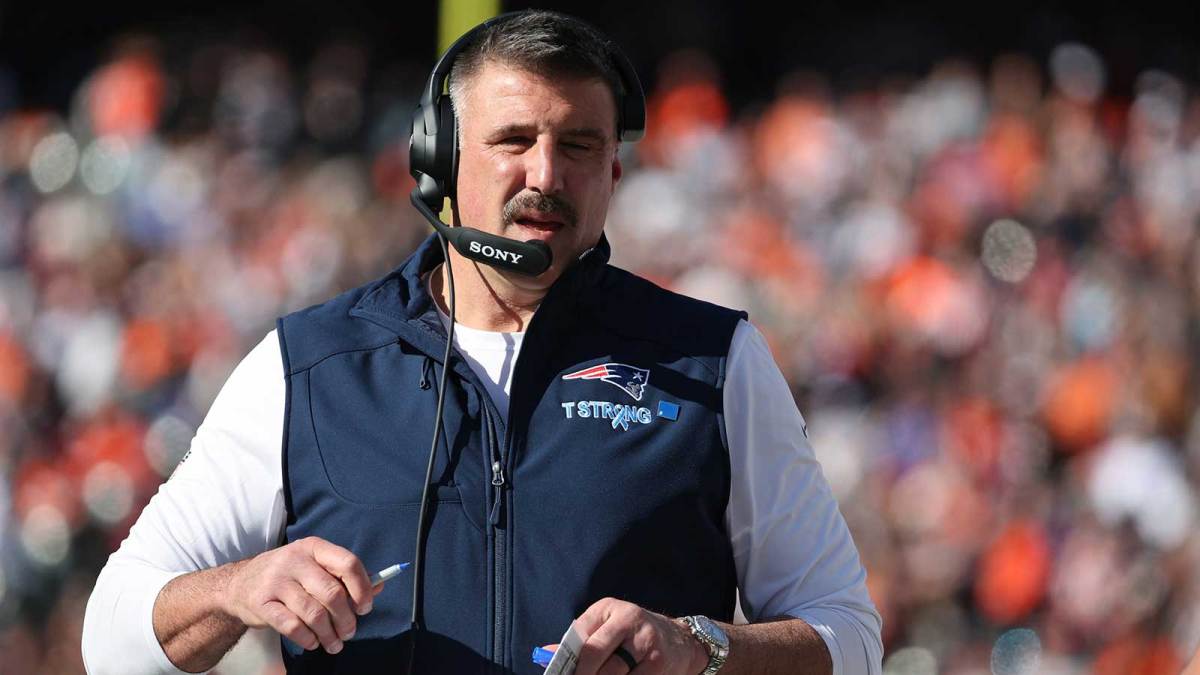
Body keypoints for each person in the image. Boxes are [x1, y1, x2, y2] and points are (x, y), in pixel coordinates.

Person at [82, 10, 882, 675]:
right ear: (441, 158)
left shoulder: (716, 360)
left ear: (613, 172)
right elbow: (111, 635)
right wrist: (238, 586)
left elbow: (850, 636)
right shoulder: (306, 368)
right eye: (513, 140)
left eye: (578, 146)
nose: (545, 174)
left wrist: (703, 647)